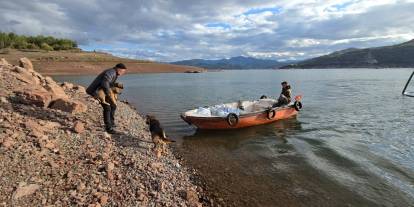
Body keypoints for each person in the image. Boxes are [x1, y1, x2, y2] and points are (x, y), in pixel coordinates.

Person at [86, 63, 127, 133]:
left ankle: (112, 123)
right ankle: (108, 128)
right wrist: (109, 95)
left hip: (103, 91)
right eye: (122, 71)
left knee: (113, 106)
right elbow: (105, 83)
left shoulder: (114, 73)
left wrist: (116, 84)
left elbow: (108, 83)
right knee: (107, 107)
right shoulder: (111, 72)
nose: (123, 73)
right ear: (118, 69)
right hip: (96, 91)